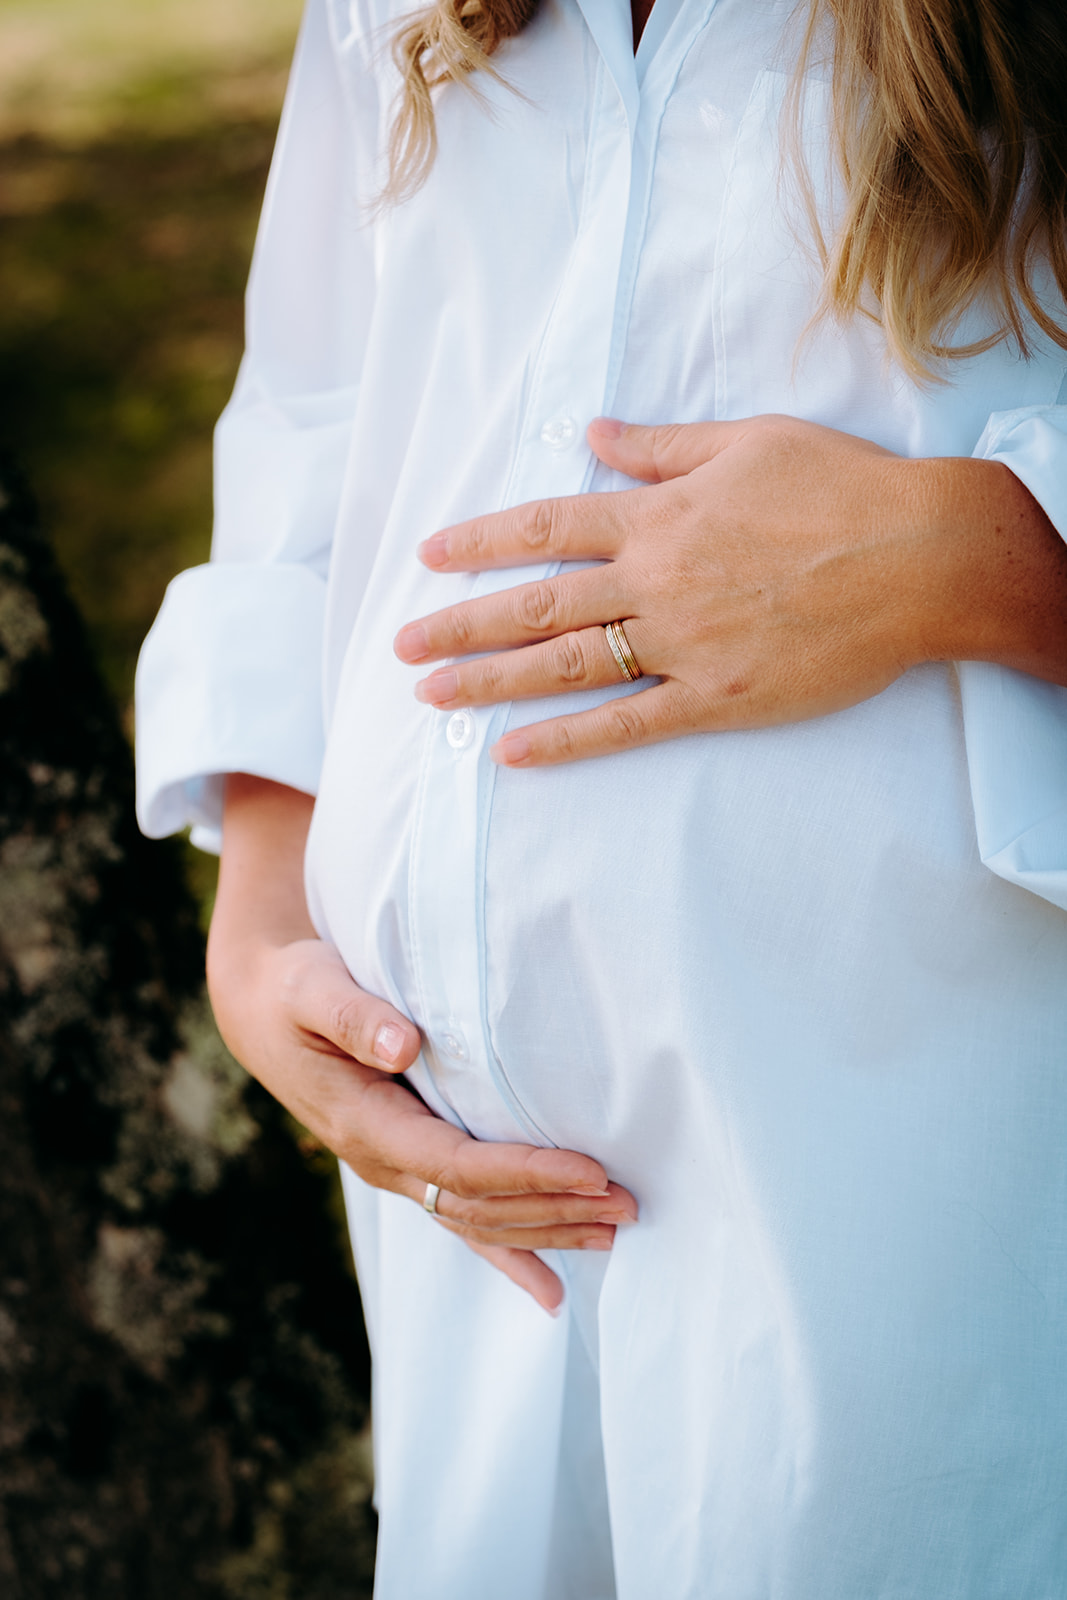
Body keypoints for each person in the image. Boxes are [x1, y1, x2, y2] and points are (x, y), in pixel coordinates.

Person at [136, 0, 1067, 1593]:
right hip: (480, 1261)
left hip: (908, 1167)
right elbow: (319, 413)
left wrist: (963, 557)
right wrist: (267, 916)